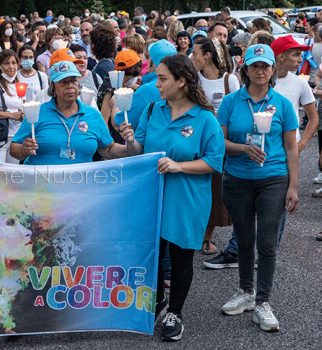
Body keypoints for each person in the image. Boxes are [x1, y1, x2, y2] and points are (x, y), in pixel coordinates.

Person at [120, 54, 225, 341]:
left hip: (187, 199)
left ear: (181, 81)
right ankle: (156, 301)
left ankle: (174, 313)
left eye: (163, 78)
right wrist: (129, 140)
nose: (157, 83)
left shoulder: (205, 119)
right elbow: (139, 151)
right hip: (153, 196)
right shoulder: (154, 110)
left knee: (180, 259)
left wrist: (179, 166)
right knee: (152, 255)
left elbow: (214, 161)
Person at [217, 44, 299, 333]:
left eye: (265, 65)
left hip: (273, 178)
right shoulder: (230, 102)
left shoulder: (283, 104)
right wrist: (242, 149)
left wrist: (293, 186)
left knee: (266, 241)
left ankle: (263, 301)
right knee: (244, 239)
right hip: (238, 179)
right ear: (246, 70)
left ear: (273, 69)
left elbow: (291, 147)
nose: (261, 70)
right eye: (255, 66)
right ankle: (245, 291)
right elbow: (219, 143)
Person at [10, 60, 129, 164]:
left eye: (73, 81)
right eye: (63, 82)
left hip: (79, 185)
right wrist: (23, 150)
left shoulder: (93, 116)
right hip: (42, 186)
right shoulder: (38, 112)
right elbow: (14, 148)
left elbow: (108, 149)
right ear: (53, 87)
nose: (70, 86)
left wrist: (132, 147)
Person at [190, 37, 240, 255]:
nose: (192, 57)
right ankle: (195, 235)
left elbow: (237, 113)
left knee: (217, 192)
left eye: (195, 53)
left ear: (207, 55)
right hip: (197, 144)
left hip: (222, 145)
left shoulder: (230, 81)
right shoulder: (193, 81)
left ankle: (206, 237)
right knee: (198, 191)